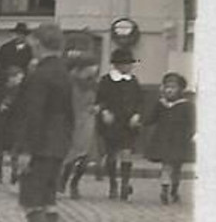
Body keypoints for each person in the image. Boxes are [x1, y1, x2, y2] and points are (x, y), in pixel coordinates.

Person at [8, 22, 73, 222]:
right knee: (48, 201)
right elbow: (68, 114)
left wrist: (25, 150)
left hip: (40, 146)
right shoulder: (63, 72)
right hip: (57, 146)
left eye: (33, 43)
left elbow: (33, 116)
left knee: (32, 201)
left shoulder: (39, 75)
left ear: (37, 43)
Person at [95, 48, 144, 200]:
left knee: (126, 152)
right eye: (126, 64)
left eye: (130, 64)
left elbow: (139, 100)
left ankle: (124, 183)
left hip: (128, 123)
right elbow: (99, 100)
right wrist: (104, 112)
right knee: (111, 154)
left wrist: (137, 114)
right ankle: (113, 184)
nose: (129, 66)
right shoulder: (106, 81)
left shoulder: (133, 81)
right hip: (112, 122)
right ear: (117, 65)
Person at [143, 72, 194, 205]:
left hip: (180, 140)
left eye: (173, 87)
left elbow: (192, 122)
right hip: (163, 139)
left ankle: (174, 190)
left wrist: (193, 134)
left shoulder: (187, 105)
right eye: (167, 87)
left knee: (177, 167)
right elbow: (151, 118)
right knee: (166, 165)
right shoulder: (161, 104)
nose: (169, 90)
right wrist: (141, 122)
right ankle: (164, 190)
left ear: (180, 89)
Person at [60, 45, 101, 200]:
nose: (94, 69)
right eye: (91, 67)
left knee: (85, 157)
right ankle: (63, 180)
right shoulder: (69, 82)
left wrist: (98, 107)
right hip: (72, 120)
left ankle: (75, 184)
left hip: (88, 121)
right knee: (71, 154)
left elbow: (102, 100)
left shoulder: (94, 84)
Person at [0, 66, 25, 186]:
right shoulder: (3, 89)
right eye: (18, 77)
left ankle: (14, 174)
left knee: (14, 150)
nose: (20, 80)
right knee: (1, 150)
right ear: (11, 78)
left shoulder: (21, 90)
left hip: (16, 122)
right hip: (4, 123)